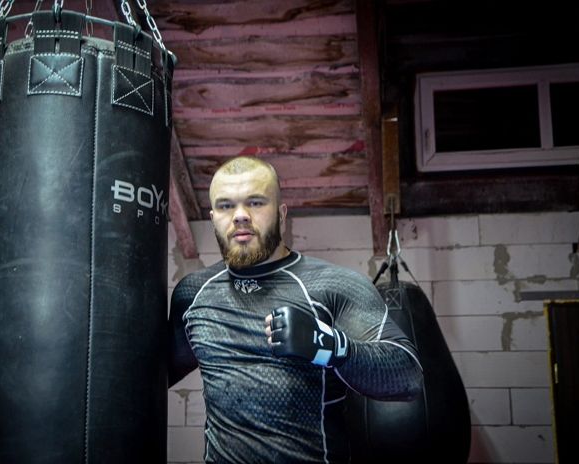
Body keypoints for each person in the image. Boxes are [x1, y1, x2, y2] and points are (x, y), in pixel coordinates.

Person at [168, 156, 423, 463]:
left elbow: (408, 377)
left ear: (281, 213)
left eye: (255, 202)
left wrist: (332, 347)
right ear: (212, 217)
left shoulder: (333, 285)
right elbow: (146, 377)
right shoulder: (193, 294)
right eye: (225, 206)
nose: (240, 216)